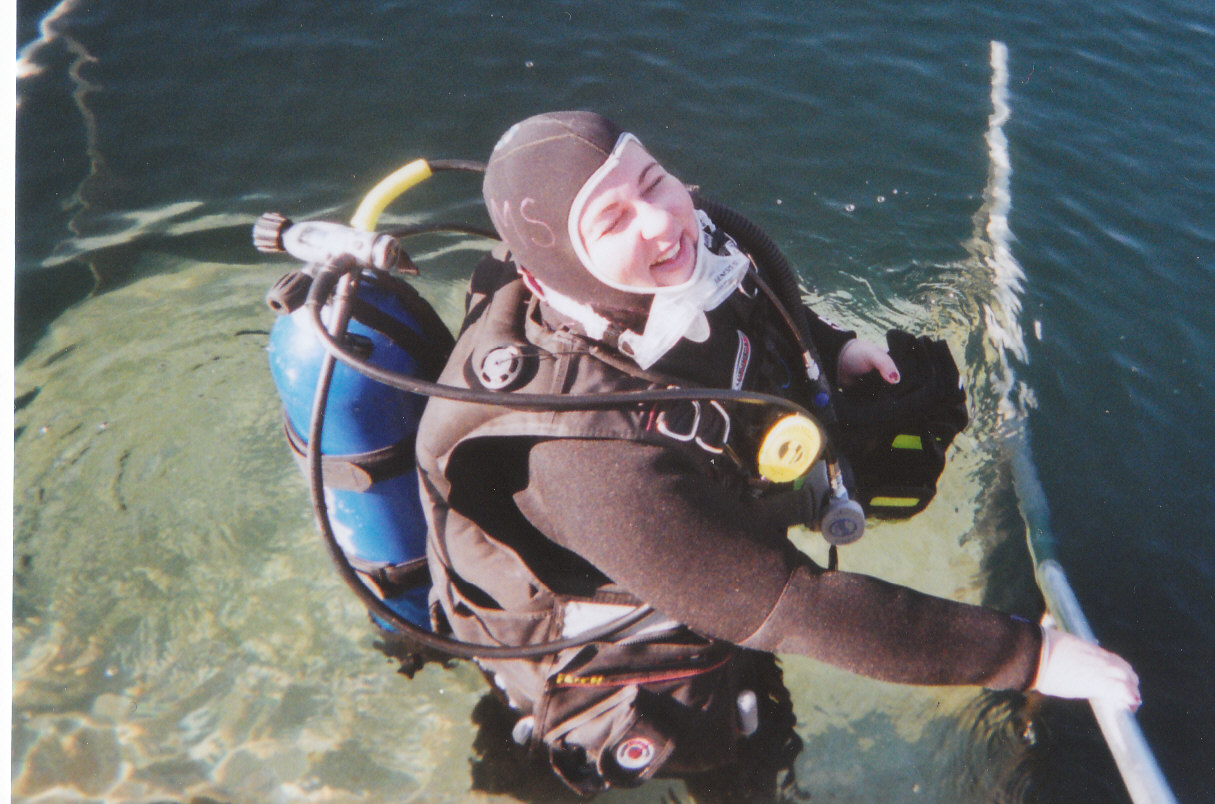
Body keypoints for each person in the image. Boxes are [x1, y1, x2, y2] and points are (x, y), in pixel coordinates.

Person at [414, 111, 1140, 797]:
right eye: (611, 220)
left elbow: (744, 312)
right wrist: (1028, 657)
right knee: (729, 755)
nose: (662, 219)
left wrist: (829, 349)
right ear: (553, 275)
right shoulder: (583, 459)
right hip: (603, 648)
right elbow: (789, 605)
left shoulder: (666, 270)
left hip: (701, 561)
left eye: (651, 179)